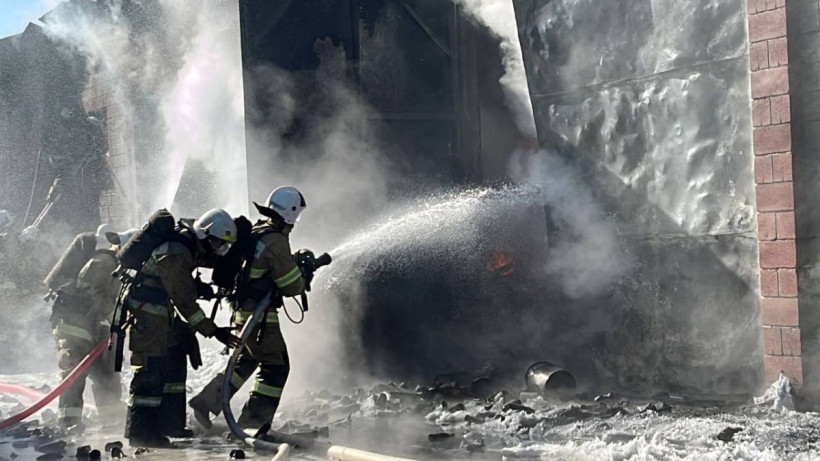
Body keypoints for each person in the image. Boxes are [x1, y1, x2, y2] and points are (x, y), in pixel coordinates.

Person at [189, 187, 307, 431]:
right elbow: (291, 286)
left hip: (243, 312)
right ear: (292, 213)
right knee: (276, 366)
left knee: (247, 361)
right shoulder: (275, 240)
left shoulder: (258, 230)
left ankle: (206, 402)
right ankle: (252, 424)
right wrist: (304, 272)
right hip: (260, 318)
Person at [123, 208, 241, 447]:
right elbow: (184, 302)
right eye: (218, 243)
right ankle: (141, 433)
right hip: (147, 313)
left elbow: (186, 279)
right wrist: (214, 331)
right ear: (206, 235)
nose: (219, 249)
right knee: (151, 368)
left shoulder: (190, 245)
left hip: (161, 311)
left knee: (175, 357)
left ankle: (170, 424)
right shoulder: (177, 251)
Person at [49, 227, 136, 432]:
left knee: (107, 371)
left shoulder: (118, 265)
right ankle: (69, 422)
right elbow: (89, 286)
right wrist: (113, 314)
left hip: (94, 324)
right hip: (74, 322)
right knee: (75, 370)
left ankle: (111, 418)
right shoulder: (103, 261)